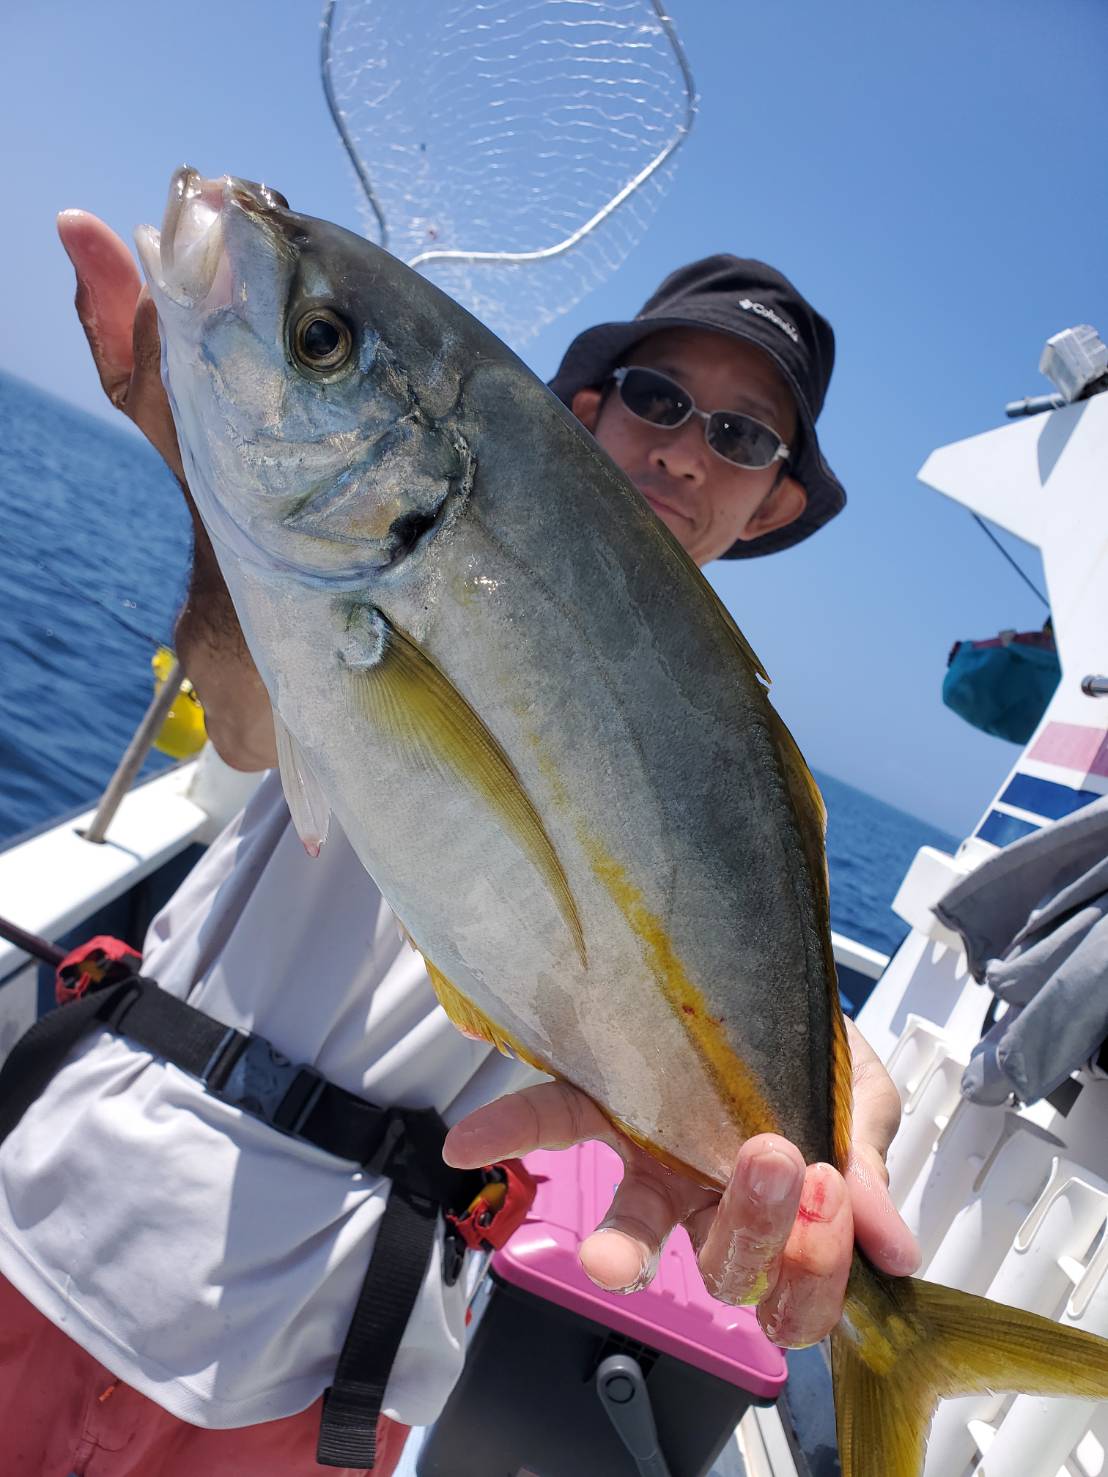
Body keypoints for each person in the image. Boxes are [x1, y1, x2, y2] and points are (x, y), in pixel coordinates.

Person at [0, 213, 919, 1477]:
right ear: (586, 409)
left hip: (321, 1347)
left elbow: (741, 961)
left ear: (774, 503)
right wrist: (203, 463)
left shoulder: (732, 774)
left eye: (742, 436)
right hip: (65, 1196)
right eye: (657, 397)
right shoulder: (386, 560)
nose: (682, 450)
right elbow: (249, 721)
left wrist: (833, 1106)